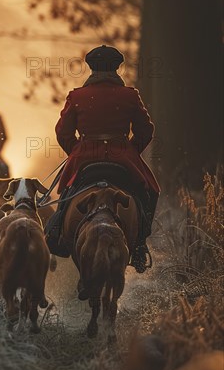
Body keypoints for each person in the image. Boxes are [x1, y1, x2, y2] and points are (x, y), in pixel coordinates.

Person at [47, 45, 160, 272]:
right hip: (123, 156)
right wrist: (129, 149)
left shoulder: (77, 96)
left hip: (85, 156)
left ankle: (59, 233)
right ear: (116, 68)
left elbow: (62, 133)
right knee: (151, 191)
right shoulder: (130, 95)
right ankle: (139, 245)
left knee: (67, 194)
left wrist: (78, 150)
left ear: (91, 68)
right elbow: (146, 131)